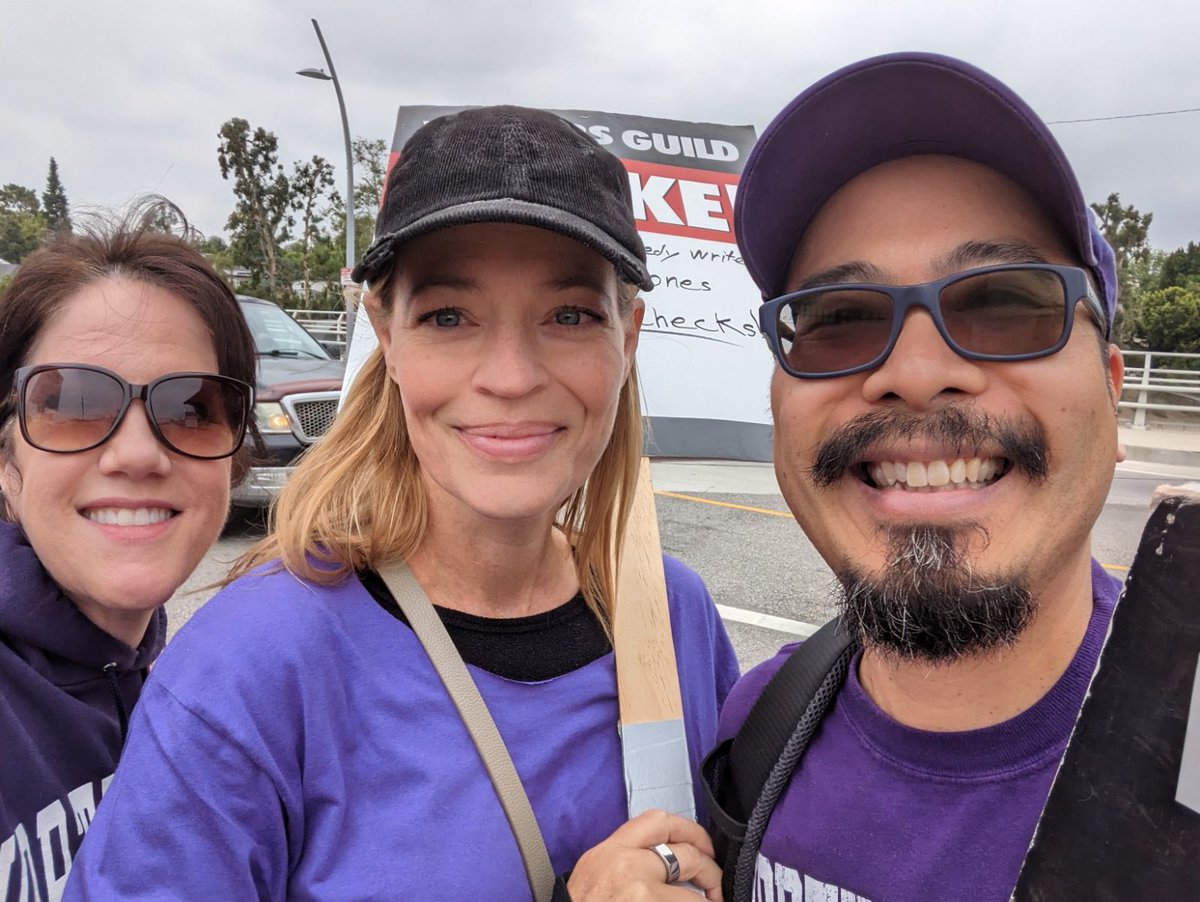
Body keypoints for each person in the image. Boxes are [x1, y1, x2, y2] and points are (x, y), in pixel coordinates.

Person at [67, 106, 738, 901]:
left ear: (625, 339)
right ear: (385, 332)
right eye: (449, 317)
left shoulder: (675, 617)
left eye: (570, 315)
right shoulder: (250, 669)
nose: (512, 375)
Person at [712, 53, 1125, 901]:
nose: (916, 370)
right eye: (838, 321)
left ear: (1114, 392)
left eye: (1007, 303)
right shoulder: (759, 727)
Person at [0, 204, 257, 901]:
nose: (139, 453)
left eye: (190, 409)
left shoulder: (198, 696)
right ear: (6, 456)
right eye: (74, 401)